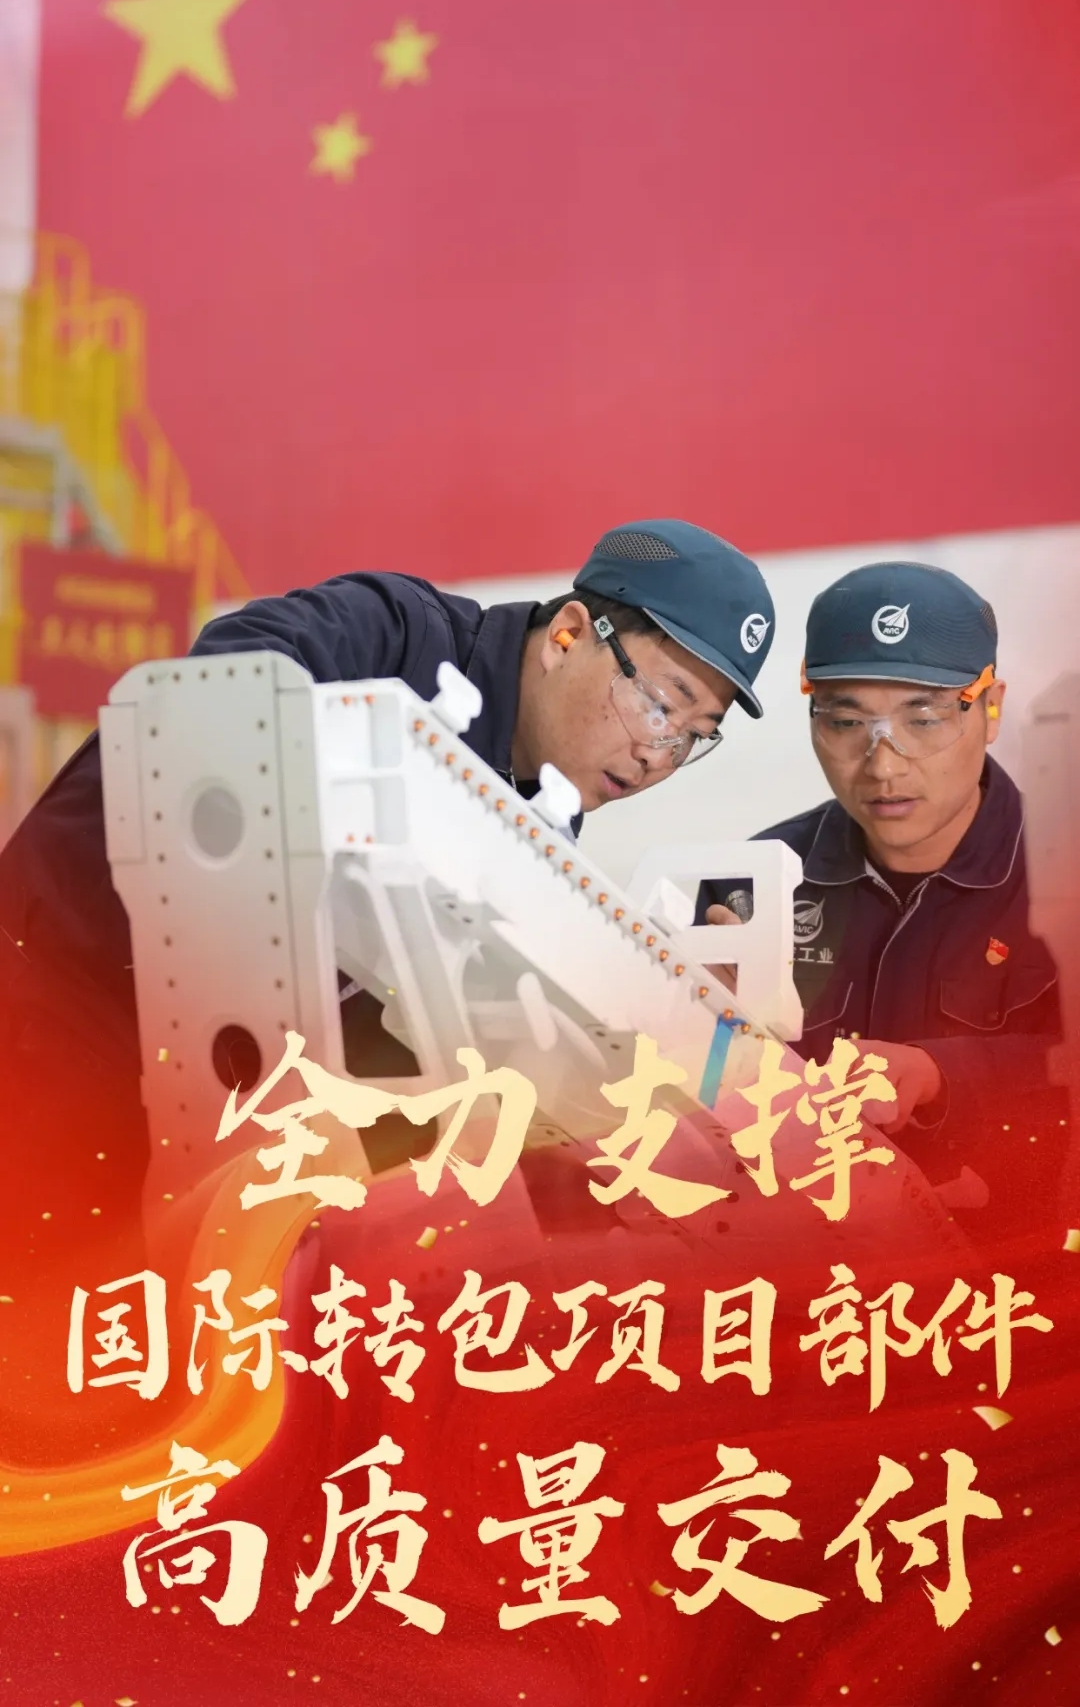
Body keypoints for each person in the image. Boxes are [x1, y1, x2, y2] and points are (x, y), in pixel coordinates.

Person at [0, 517, 775, 1213]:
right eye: (661, 704)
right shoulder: (396, 640)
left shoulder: (545, 829)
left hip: (189, 1107)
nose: (657, 753)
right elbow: (217, 693)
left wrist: (643, 1017)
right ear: (569, 634)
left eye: (692, 736)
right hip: (55, 1005)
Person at [698, 560, 1067, 1238]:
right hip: (810, 1268)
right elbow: (687, 1117)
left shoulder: (1062, 874)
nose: (884, 764)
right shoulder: (752, 885)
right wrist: (701, 1028)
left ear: (990, 708)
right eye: (846, 723)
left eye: (923, 720)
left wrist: (941, 1076)